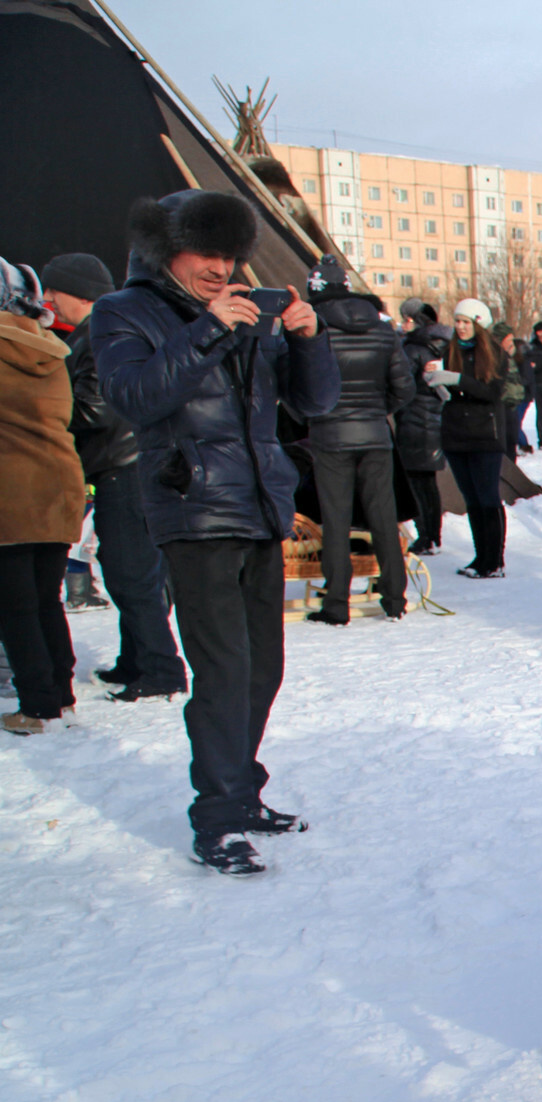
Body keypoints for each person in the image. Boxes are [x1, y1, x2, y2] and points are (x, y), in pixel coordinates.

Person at [90, 190, 339, 873]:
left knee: (263, 668)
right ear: (168, 251)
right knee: (224, 668)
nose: (220, 268)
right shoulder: (123, 312)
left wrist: (307, 338)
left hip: (259, 508)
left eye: (230, 257)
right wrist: (204, 328)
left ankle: (243, 790)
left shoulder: (247, 312)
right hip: (191, 510)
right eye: (207, 254)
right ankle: (218, 817)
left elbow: (314, 402)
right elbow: (135, 397)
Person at [43, 252, 186, 699]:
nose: (47, 299)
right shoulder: (107, 327)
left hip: (126, 468)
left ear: (79, 292)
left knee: (131, 575)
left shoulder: (98, 333)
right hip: (133, 464)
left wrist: (43, 406)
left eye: (54, 290)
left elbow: (97, 406)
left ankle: (162, 669)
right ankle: (136, 659)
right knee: (133, 571)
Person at [300, 253, 411, 623]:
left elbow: (300, 388)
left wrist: (316, 415)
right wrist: (377, 411)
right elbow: (404, 388)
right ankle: (394, 599)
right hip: (376, 434)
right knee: (383, 517)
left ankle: (336, 604)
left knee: (335, 520)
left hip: (330, 436)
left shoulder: (313, 328)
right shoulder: (382, 329)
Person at [0, 258, 86, 735]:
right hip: (59, 484)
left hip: (9, 491)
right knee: (46, 599)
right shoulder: (52, 348)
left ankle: (36, 707)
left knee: (15, 607)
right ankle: (61, 692)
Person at [436, 297, 512, 578]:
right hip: (456, 434)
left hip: (484, 436)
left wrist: (458, 381)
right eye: (457, 321)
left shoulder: (494, 353)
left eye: (466, 322)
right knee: (471, 499)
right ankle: (480, 557)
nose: (460, 327)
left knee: (487, 497)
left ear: (478, 324)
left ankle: (495, 560)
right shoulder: (450, 350)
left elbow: (492, 392)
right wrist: (437, 382)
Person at [395, 298, 448, 556]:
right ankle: (433, 536)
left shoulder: (412, 348)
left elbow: (401, 384)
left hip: (415, 421)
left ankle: (425, 536)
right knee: (429, 484)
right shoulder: (445, 346)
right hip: (437, 420)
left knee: (417, 484)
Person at [498, 322, 530, 455]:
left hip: (515, 402)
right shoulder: (496, 357)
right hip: (502, 405)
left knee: (512, 434)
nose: (511, 343)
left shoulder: (515, 355)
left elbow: (524, 376)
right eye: (509, 339)